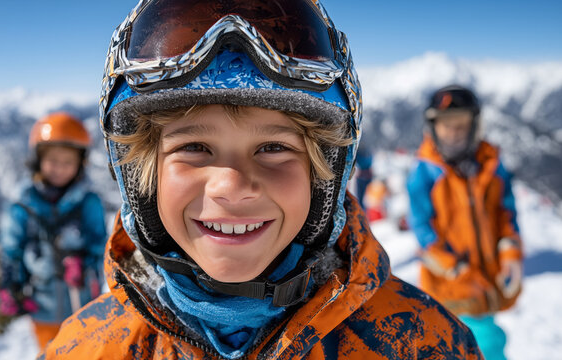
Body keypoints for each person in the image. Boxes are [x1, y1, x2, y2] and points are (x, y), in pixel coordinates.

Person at [41, 1, 481, 359]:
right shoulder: (88, 348)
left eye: (273, 148)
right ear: (141, 177)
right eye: (194, 148)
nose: (231, 187)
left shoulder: (422, 344)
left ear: (325, 175)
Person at [407, 85, 523, 360]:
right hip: (450, 282)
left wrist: (510, 250)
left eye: (461, 123)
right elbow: (421, 225)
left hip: (488, 275)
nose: (455, 131)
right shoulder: (425, 172)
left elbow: (506, 213)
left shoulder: (491, 166)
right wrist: (448, 264)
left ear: (474, 124)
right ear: (433, 127)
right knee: (481, 342)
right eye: (447, 124)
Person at [0, 112, 107, 350]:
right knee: (51, 352)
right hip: (42, 305)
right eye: (53, 161)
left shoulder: (88, 202)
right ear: (38, 160)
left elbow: (100, 243)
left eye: (68, 162)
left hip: (84, 302)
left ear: (80, 164)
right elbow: (11, 248)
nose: (60, 169)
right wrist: (9, 284)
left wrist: (84, 261)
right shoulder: (23, 204)